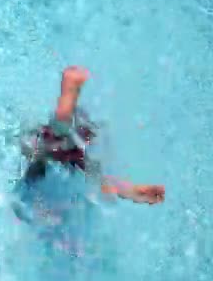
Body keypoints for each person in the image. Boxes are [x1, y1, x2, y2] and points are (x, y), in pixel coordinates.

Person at [16, 65, 165, 220]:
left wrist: (139, 193)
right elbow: (108, 185)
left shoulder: (79, 157)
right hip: (41, 148)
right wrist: (139, 193)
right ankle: (70, 92)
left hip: (49, 151)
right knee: (50, 141)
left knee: (54, 140)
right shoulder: (63, 151)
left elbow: (108, 184)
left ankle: (70, 93)